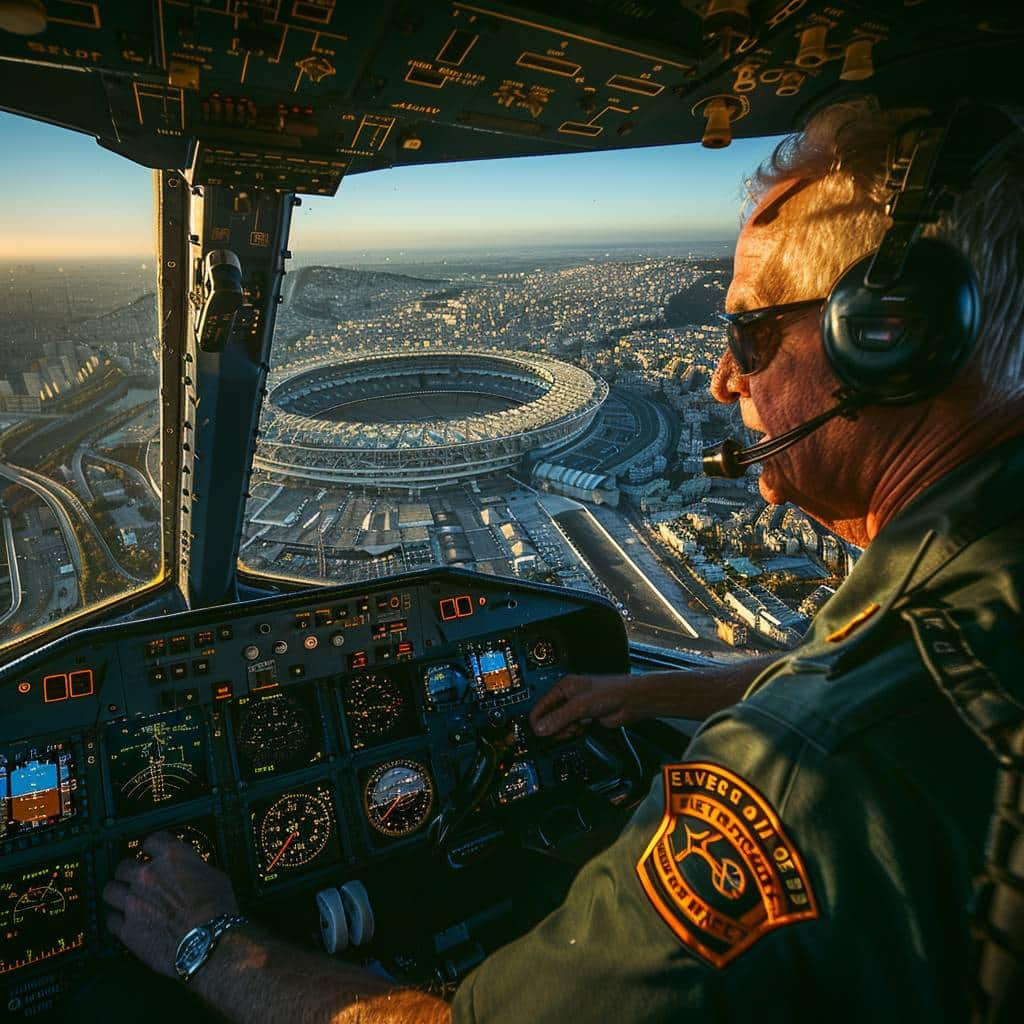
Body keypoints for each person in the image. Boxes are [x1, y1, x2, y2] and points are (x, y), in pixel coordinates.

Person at [102, 99, 1024, 1022]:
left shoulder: (789, 775)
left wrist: (210, 944)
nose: (722, 380)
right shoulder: (969, 578)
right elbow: (840, 669)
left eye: (748, 332)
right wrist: (640, 694)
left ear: (890, 338)